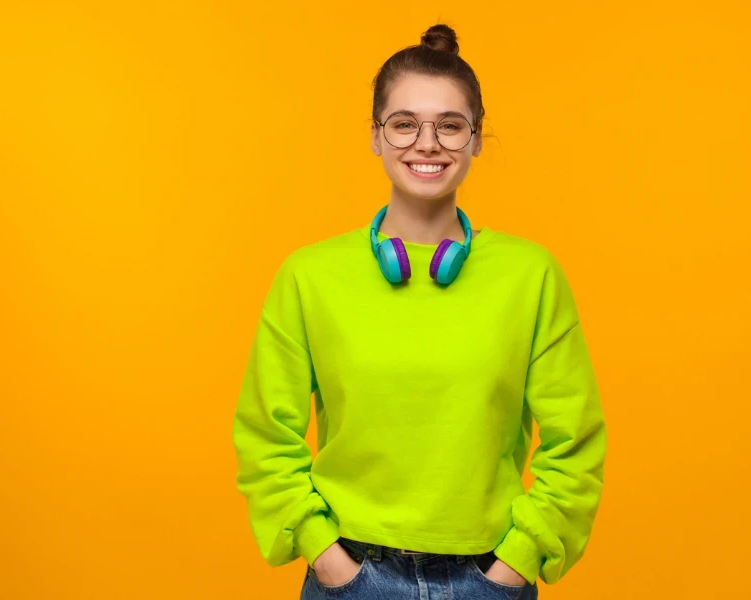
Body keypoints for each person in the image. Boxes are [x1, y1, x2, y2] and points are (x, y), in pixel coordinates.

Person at [232, 23, 607, 599]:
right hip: (351, 579)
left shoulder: (531, 275)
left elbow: (575, 441)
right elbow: (265, 435)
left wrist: (517, 560)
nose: (426, 143)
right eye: (404, 124)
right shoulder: (309, 275)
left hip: (489, 580)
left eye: (450, 126)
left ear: (476, 139)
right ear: (377, 137)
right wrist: (327, 557)